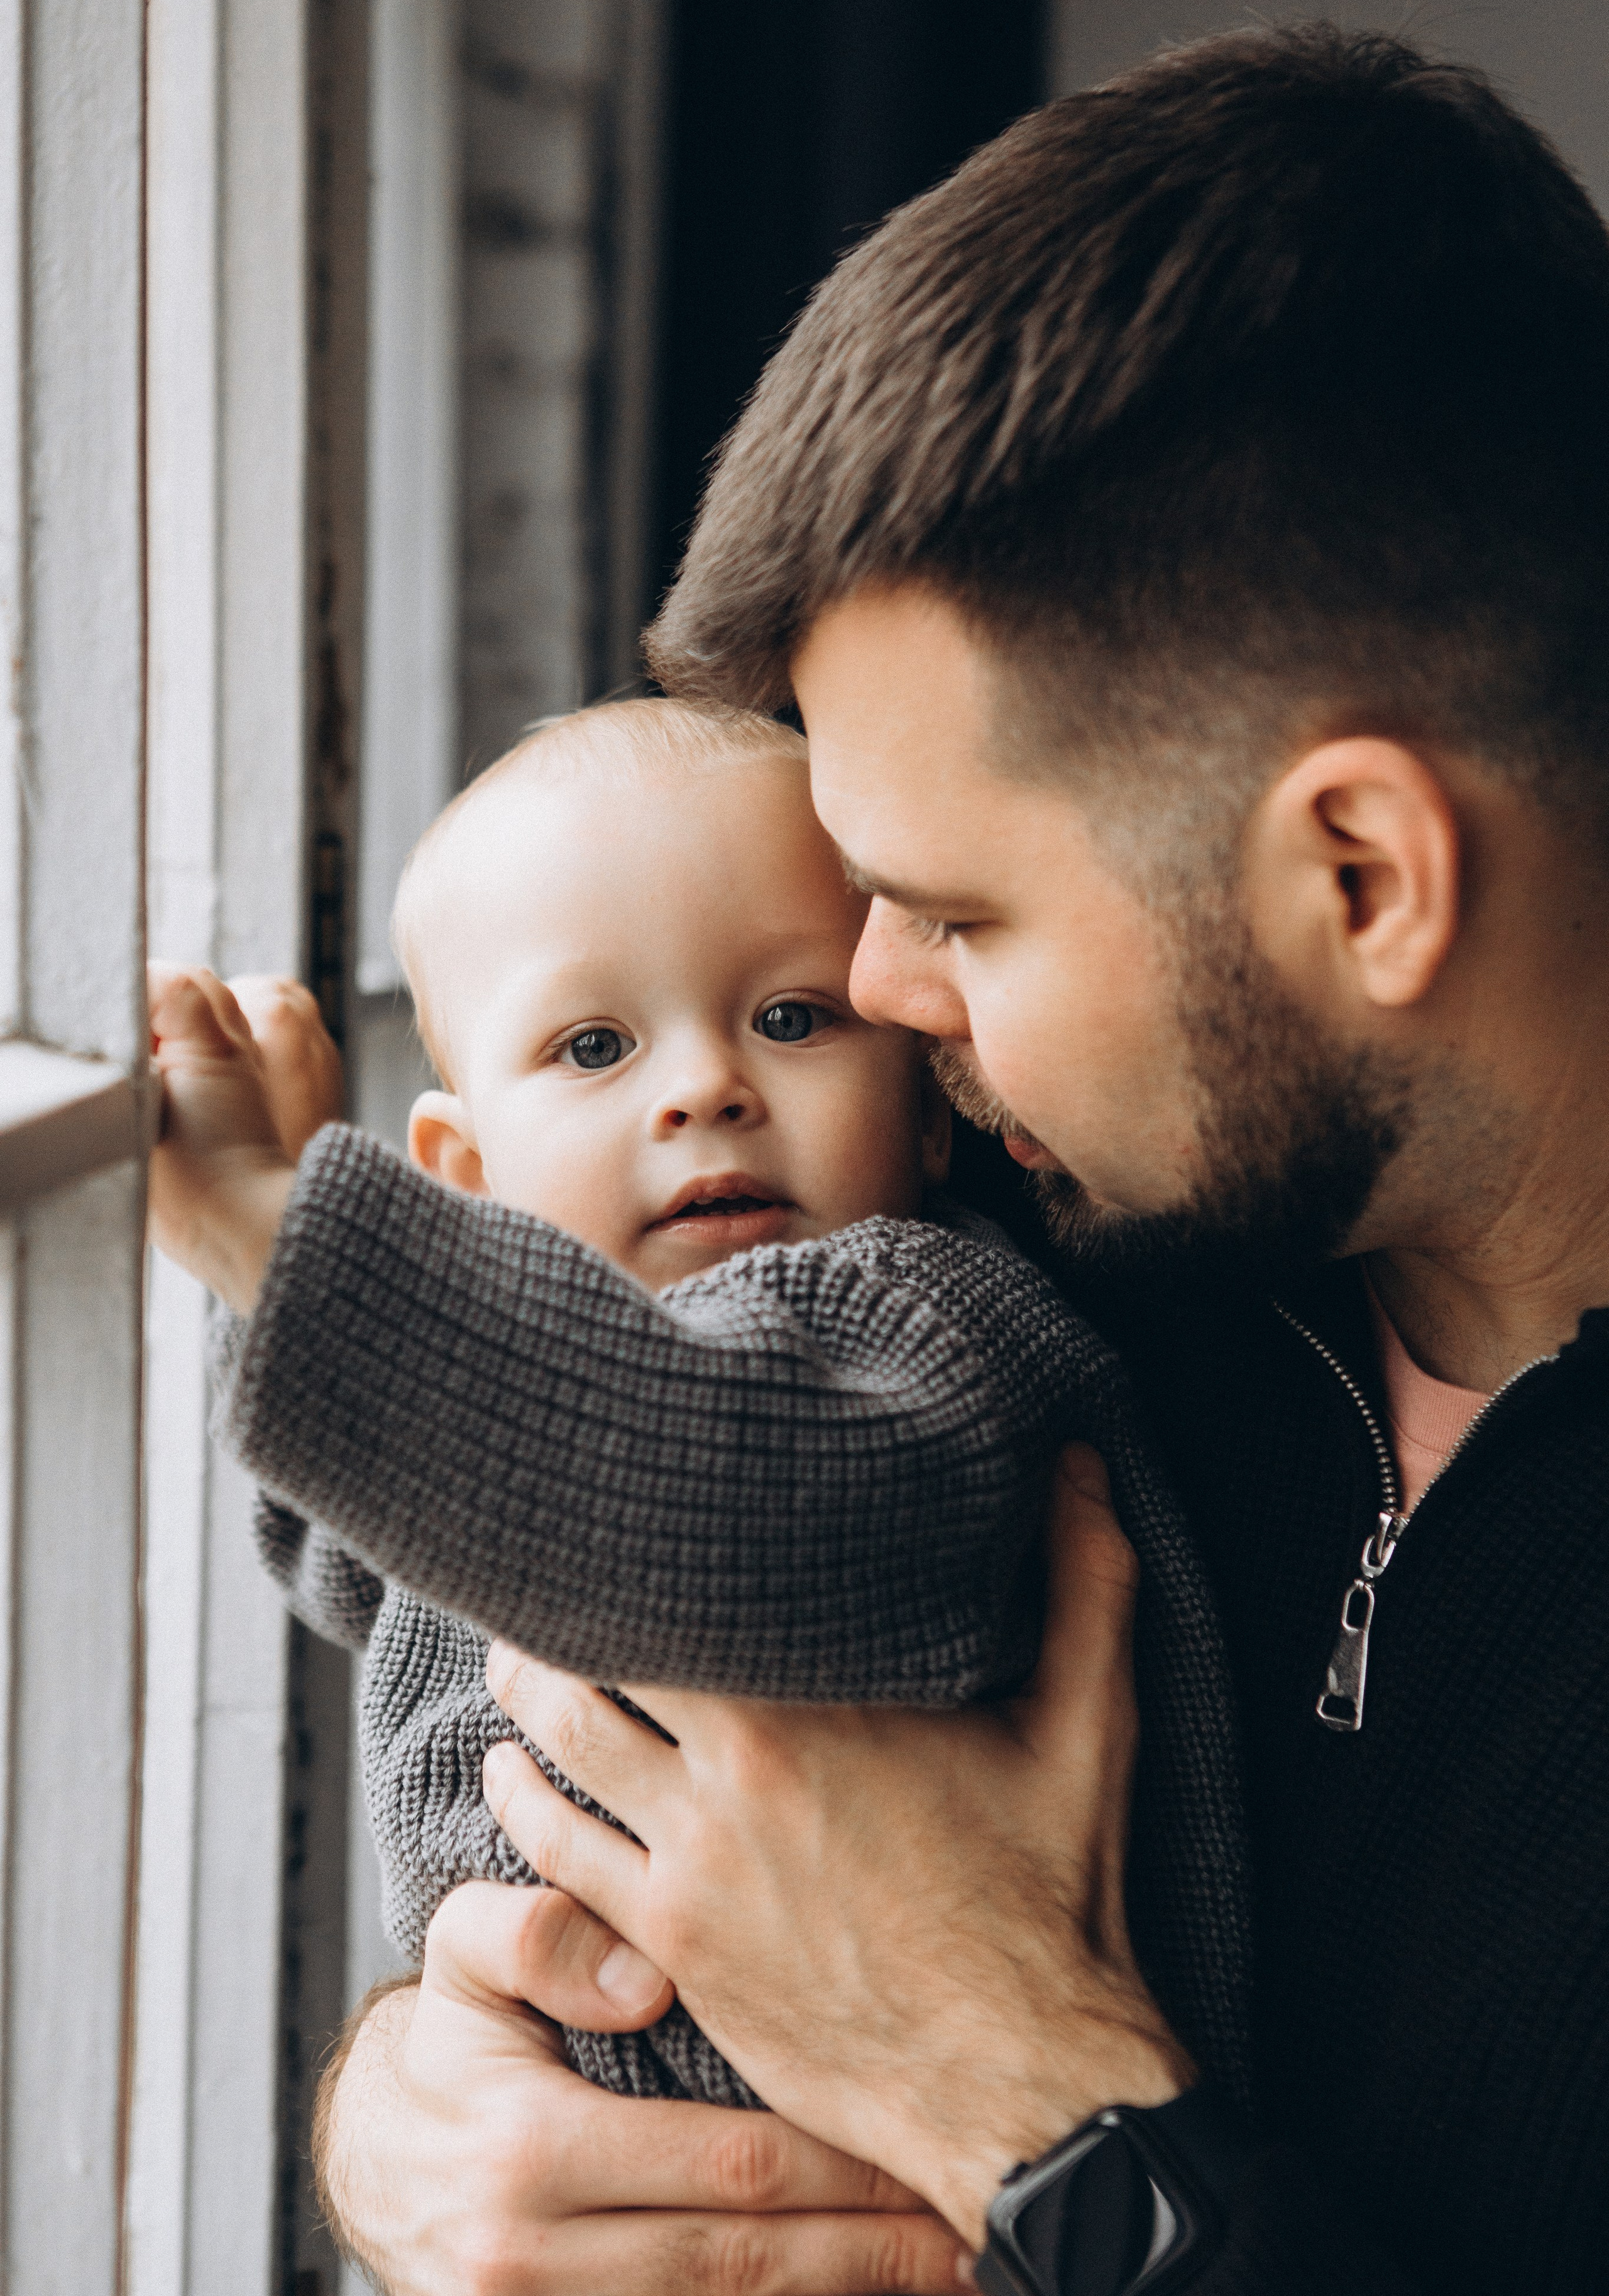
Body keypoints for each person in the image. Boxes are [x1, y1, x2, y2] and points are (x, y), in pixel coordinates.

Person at [268, 21, 1609, 2290]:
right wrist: (411, 2108)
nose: (874, 996)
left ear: (1364, 878)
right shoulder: (999, 1261)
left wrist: (1022, 2099)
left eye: (962, 912)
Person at [147, 696, 1248, 2115]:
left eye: (789, 1019)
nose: (706, 1087)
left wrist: (274, 1231)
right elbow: (345, 1558)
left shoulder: (929, 1325)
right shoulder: (497, 1389)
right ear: (463, 1170)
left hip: (962, 2188)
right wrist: (285, 1269)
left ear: (924, 1110)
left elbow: (732, 1507)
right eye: (594, 1049)